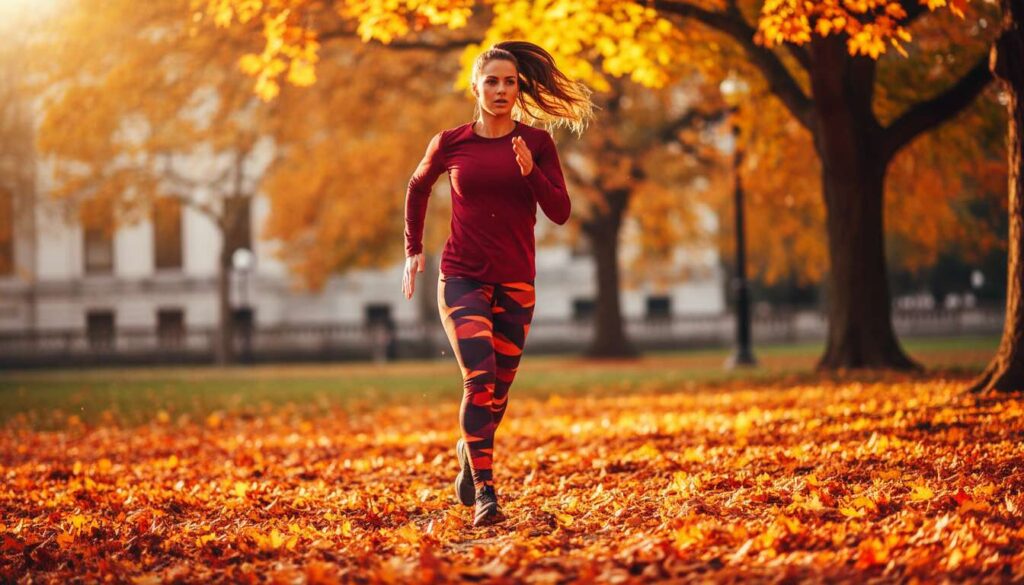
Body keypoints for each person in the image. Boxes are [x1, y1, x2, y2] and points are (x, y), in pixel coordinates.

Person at [401, 41, 594, 527]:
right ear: (476, 87)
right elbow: (418, 186)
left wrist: (531, 173)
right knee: (479, 377)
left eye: (510, 82)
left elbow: (561, 212)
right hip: (462, 274)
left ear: (519, 87)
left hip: (515, 281)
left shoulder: (539, 143)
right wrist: (413, 249)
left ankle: (470, 451)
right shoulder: (451, 142)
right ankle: (487, 492)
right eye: (492, 81)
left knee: (499, 394)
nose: (502, 89)